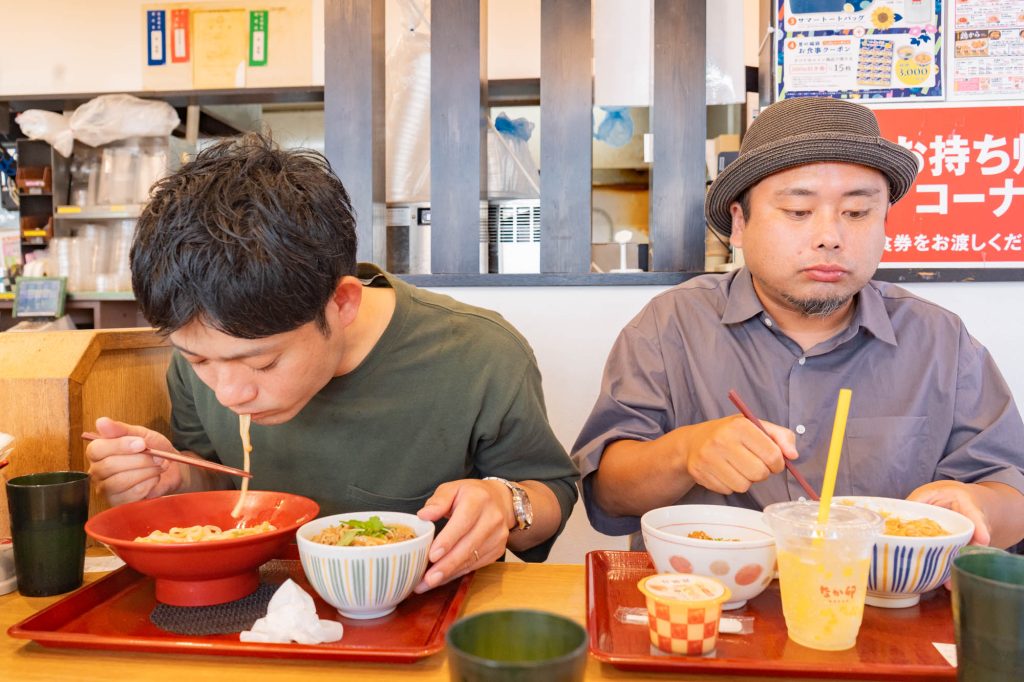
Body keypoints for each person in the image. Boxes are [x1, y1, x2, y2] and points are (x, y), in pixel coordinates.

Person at [86, 133, 579, 592]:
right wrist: (177, 480)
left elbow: (552, 491)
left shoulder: (480, 352)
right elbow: (220, 481)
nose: (229, 393)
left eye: (263, 363)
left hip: (425, 615)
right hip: (250, 611)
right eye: (198, 359)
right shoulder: (204, 361)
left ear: (342, 304)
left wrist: (506, 503)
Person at [572, 97, 1024, 550]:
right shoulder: (669, 326)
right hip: (712, 591)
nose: (829, 237)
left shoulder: (939, 339)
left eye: (856, 213)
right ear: (739, 223)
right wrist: (684, 453)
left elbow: (1011, 489)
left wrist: (978, 506)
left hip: (881, 592)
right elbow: (608, 495)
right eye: (798, 211)